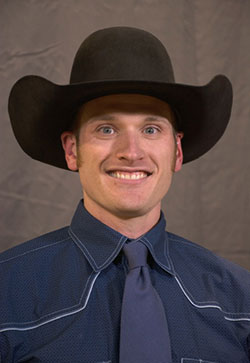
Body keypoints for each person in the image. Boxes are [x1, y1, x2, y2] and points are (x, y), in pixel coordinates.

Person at [1, 26, 250, 363]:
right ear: (72, 150)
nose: (131, 152)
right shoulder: (7, 292)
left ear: (176, 151)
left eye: (150, 129)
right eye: (107, 128)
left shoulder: (240, 301)